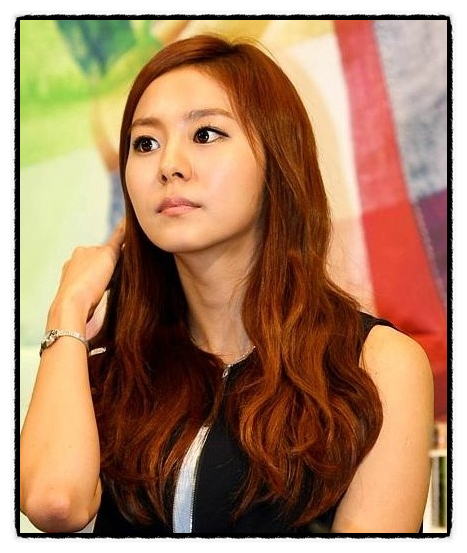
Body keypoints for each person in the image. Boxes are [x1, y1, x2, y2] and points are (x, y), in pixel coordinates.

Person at [19, 34, 434, 535]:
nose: (169, 165)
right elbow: (54, 504)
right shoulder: (111, 369)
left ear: (276, 156)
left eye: (205, 134)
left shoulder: (375, 364)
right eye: (145, 143)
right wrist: (67, 311)